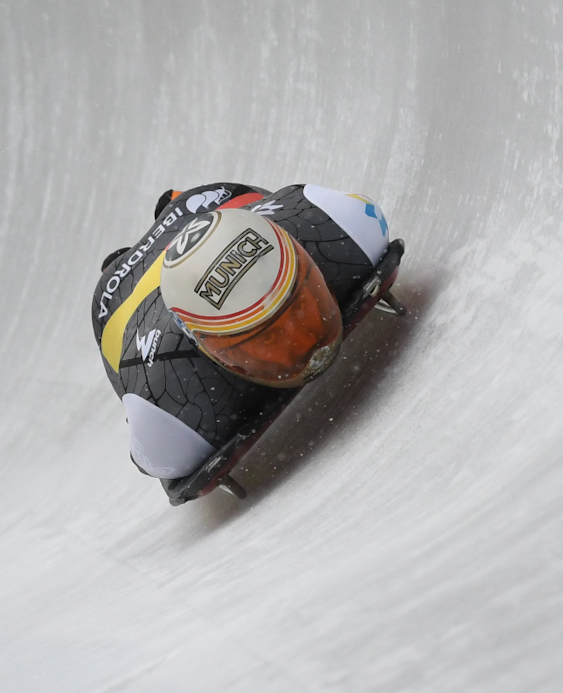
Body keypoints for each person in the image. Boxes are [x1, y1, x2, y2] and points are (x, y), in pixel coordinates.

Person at [90, 182, 403, 503]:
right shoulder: (170, 410)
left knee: (190, 203)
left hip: (206, 205)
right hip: (118, 298)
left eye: (300, 300)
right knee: (110, 278)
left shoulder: (340, 226)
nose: (300, 341)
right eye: (261, 338)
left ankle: (167, 214)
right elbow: (152, 455)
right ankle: (126, 256)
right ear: (206, 346)